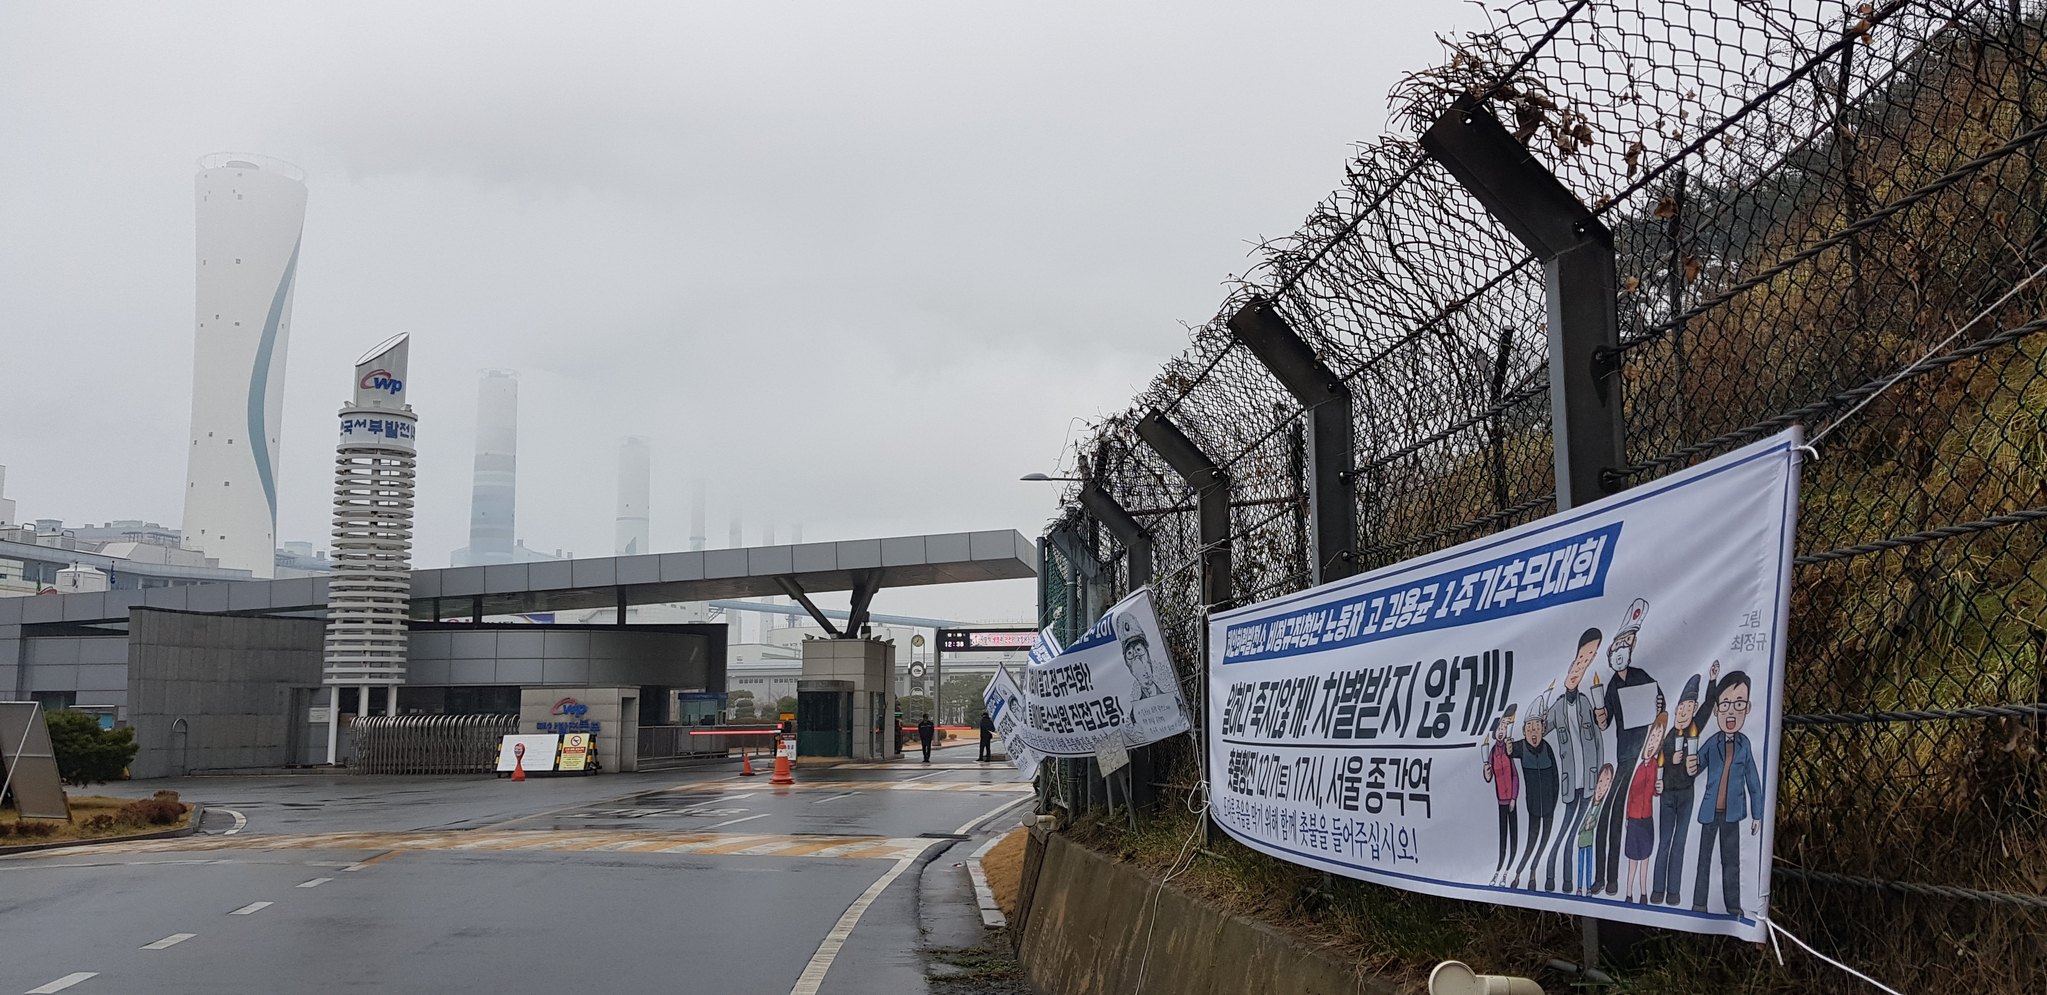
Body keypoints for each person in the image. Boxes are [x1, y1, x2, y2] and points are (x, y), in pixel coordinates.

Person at [1594, 599, 1662, 896]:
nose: (1620, 653)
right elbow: (1606, 722)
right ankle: (1605, 878)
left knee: (1628, 817)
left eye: (1625, 646)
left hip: (1643, 758)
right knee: (1607, 815)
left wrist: (1658, 703)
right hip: (1624, 758)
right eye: (1616, 649)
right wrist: (1600, 715)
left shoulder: (1641, 676)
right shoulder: (1611, 686)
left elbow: (1661, 704)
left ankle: (1619, 881)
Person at [1687, 670, 1762, 916]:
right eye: (1726, 704)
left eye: (1738, 704)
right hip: (1710, 811)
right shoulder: (1713, 742)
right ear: (1717, 710)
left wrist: (1757, 814)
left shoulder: (1745, 744)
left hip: (1732, 814)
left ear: (1747, 708)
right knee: (1704, 860)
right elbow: (1697, 765)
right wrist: (1691, 765)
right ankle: (1699, 904)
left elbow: (1753, 780)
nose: (1731, 711)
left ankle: (1732, 906)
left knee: (1731, 861)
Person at [1542, 628, 1604, 893]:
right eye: (1577, 664)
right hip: (1570, 783)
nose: (1579, 670)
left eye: (1586, 664)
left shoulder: (1586, 703)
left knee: (1581, 833)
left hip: (1589, 782)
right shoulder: (1557, 707)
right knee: (1563, 831)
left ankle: (1572, 883)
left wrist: (1599, 778)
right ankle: (1554, 879)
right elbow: (1540, 730)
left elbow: (1599, 739)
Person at [1651, 671, 1706, 905]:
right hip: (1667, 796)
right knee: (1664, 841)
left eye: (1689, 708)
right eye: (1681, 707)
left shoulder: (1694, 730)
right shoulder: (1667, 737)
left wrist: (1713, 681)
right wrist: (1669, 765)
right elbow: (1657, 760)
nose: (1683, 712)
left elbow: (1709, 705)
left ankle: (1673, 892)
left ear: (1694, 710)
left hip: (1686, 794)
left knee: (1680, 842)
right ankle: (1657, 890)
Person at [1508, 703, 1557, 890]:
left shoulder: (1547, 748)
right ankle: (1518, 874)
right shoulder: (1521, 747)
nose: (1533, 731)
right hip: (1533, 805)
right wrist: (1508, 748)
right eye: (1529, 728)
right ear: (1524, 731)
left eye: (1537, 727)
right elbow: (1508, 751)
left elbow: (1555, 777)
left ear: (1543, 729)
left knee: (1545, 840)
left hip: (1550, 805)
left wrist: (1555, 800)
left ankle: (1534, 873)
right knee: (1531, 840)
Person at [1623, 711, 1667, 903]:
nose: (1652, 743)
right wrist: (1627, 816)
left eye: (1657, 740)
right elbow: (1631, 793)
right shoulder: (1640, 767)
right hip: (1634, 818)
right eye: (1651, 738)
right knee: (1632, 859)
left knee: (1645, 858)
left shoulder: (1655, 765)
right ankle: (1628, 893)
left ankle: (1643, 892)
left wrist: (1659, 788)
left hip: (1646, 818)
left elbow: (1654, 790)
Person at [1481, 705, 1519, 886]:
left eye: (1504, 727)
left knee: (1514, 835)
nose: (1501, 731)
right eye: (1499, 728)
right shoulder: (1492, 753)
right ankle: (1499, 868)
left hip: (1511, 800)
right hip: (1500, 801)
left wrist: (1514, 798)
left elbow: (1515, 775)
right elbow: (1489, 777)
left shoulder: (1509, 750)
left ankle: (1511, 868)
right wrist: (1486, 772)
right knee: (1503, 835)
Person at [1577, 764, 1614, 897]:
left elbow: (1594, 821)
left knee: (1588, 867)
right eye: (1600, 781)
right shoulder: (1589, 803)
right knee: (1580, 867)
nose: (1601, 787)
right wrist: (1584, 826)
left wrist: (1589, 824)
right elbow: (1581, 824)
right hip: (1582, 841)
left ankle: (1587, 888)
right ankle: (1579, 887)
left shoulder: (1603, 807)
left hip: (1590, 841)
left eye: (1606, 783)